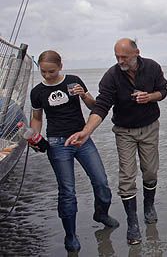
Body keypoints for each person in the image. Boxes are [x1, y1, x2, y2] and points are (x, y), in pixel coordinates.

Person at [66, 38, 167, 245]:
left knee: (150, 171)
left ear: (137, 52)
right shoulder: (111, 76)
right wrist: (86, 132)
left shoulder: (152, 67)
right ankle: (132, 223)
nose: (120, 60)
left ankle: (149, 206)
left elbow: (163, 92)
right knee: (127, 177)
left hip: (149, 127)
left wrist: (149, 97)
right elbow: (101, 106)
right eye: (117, 56)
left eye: (125, 56)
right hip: (124, 131)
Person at [29, 50, 119, 252]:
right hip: (57, 143)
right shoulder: (37, 91)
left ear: (60, 66)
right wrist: (34, 137)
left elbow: (95, 106)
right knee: (67, 191)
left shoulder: (73, 81)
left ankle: (101, 213)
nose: (47, 75)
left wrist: (84, 94)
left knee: (101, 181)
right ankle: (70, 236)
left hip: (81, 139)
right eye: (43, 72)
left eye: (51, 71)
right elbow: (37, 118)